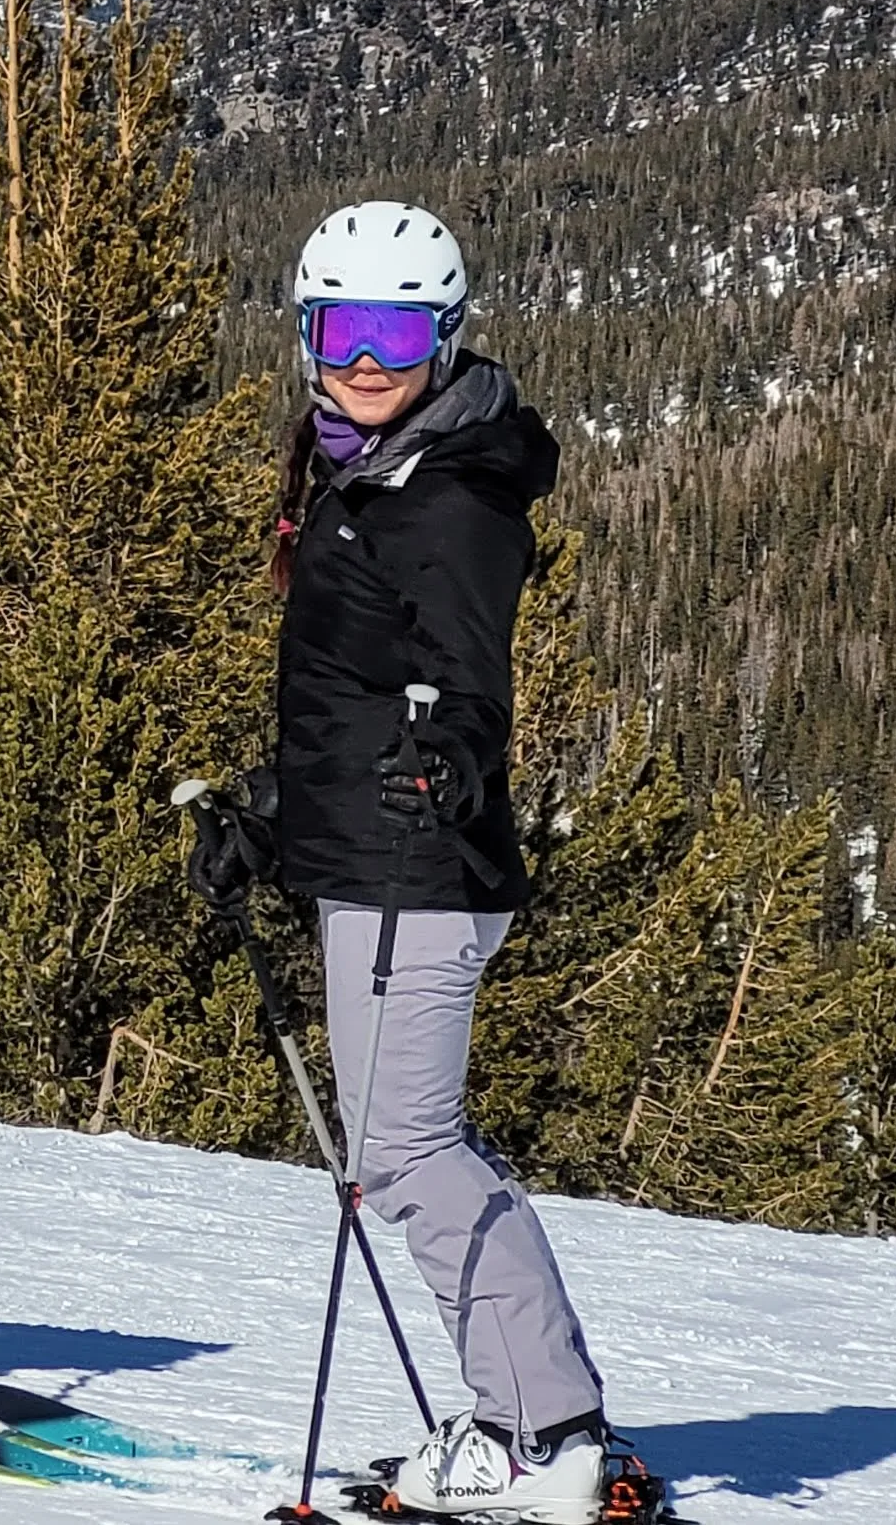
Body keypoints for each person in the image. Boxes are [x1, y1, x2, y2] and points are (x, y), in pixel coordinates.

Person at [194, 201, 617, 1522]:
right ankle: (535, 1423)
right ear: (308, 334)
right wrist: (277, 813)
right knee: (424, 1150)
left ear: (442, 337)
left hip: (412, 875)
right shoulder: (363, 471)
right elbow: (359, 693)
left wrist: (447, 765)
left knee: (412, 1159)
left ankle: (544, 1438)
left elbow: (461, 674)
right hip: (374, 858)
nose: (364, 360)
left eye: (393, 333)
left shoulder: (446, 497)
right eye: (341, 330)